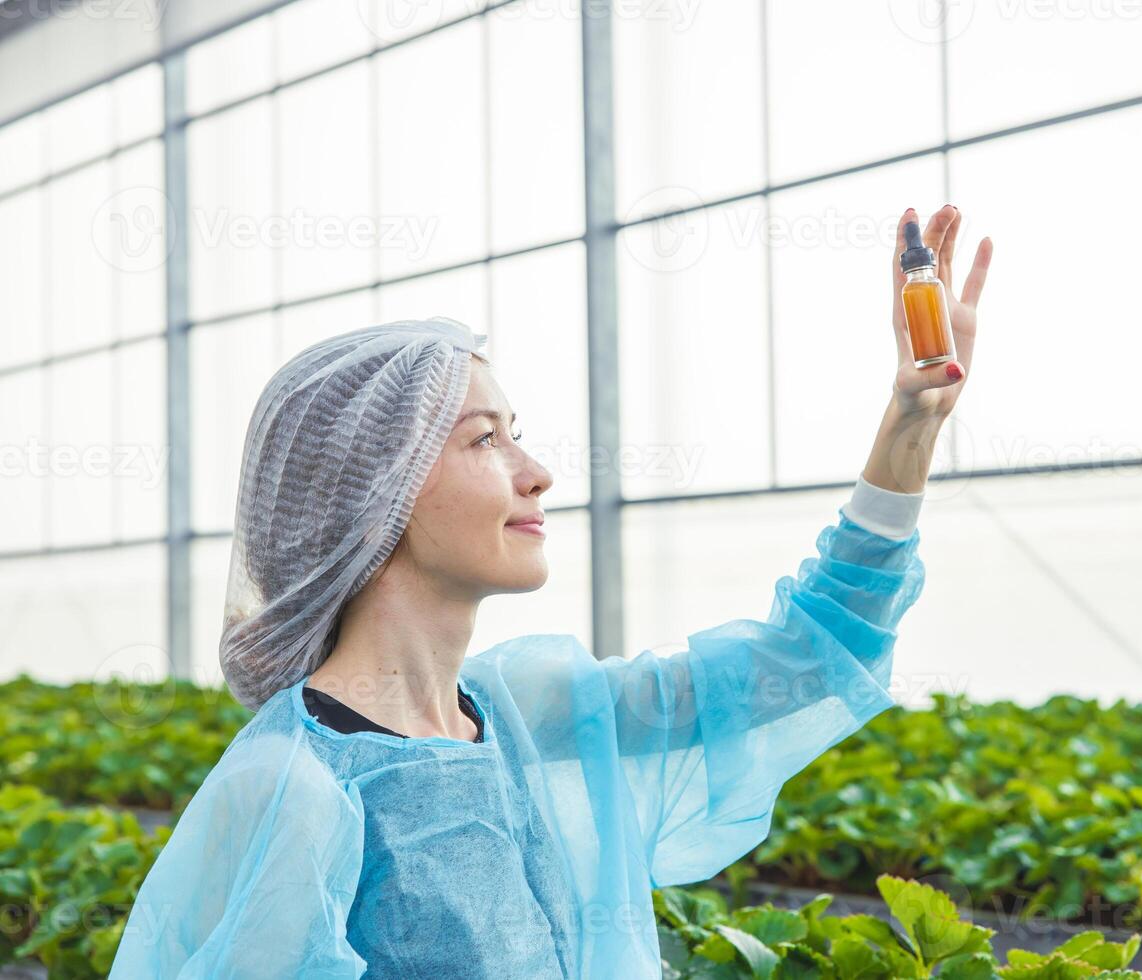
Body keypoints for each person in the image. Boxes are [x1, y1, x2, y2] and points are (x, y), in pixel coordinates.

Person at [107, 205, 992, 978]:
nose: (538, 474)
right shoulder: (294, 788)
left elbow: (798, 668)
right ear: (372, 494)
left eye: (517, 435)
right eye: (485, 440)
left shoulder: (518, 710)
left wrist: (911, 427)